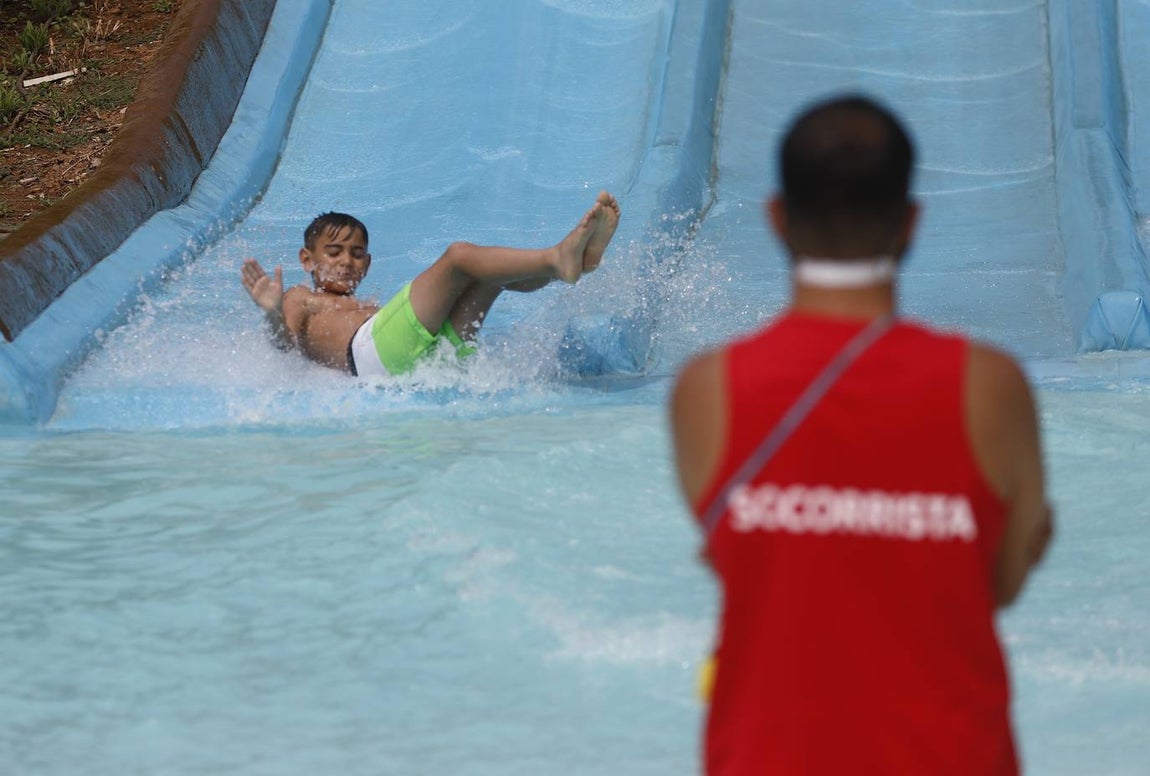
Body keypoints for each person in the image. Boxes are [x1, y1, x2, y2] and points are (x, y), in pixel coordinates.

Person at [669, 95, 1053, 775]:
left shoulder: (706, 391)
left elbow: (753, 568)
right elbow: (995, 584)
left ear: (777, 219)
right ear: (911, 224)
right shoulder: (990, 386)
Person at [240, 191, 621, 376]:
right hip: (370, 359)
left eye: (357, 254)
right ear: (307, 260)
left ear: (368, 263)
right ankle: (558, 259)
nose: (346, 261)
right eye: (334, 252)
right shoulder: (301, 297)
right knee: (458, 257)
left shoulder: (367, 305)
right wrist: (272, 311)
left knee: (489, 277)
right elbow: (283, 345)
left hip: (431, 364)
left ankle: (566, 269)